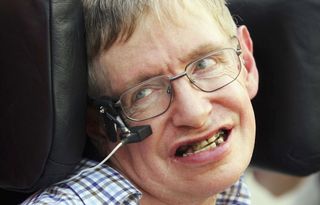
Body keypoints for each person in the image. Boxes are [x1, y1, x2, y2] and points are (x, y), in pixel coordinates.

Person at [22, 0, 258, 204]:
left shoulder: (230, 194)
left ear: (246, 64)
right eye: (144, 93)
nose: (195, 114)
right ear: (100, 126)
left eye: (205, 64)